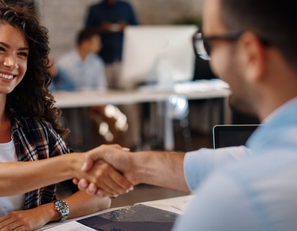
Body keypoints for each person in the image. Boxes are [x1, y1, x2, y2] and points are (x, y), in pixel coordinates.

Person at [76, 0, 297, 230]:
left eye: (210, 44)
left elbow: (246, 173)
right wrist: (135, 166)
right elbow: (244, 159)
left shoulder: (235, 202)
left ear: (250, 54)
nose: (212, 64)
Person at [0, 0, 133, 230]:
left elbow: (100, 196)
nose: (12, 63)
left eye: (22, 54)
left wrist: (46, 212)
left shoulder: (35, 129)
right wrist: (74, 164)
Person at [84, 0, 138, 88]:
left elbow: (137, 28)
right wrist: (100, 29)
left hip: (123, 57)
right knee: (104, 91)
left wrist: (127, 27)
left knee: (126, 92)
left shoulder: (126, 7)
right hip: (103, 59)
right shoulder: (95, 9)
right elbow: (86, 32)